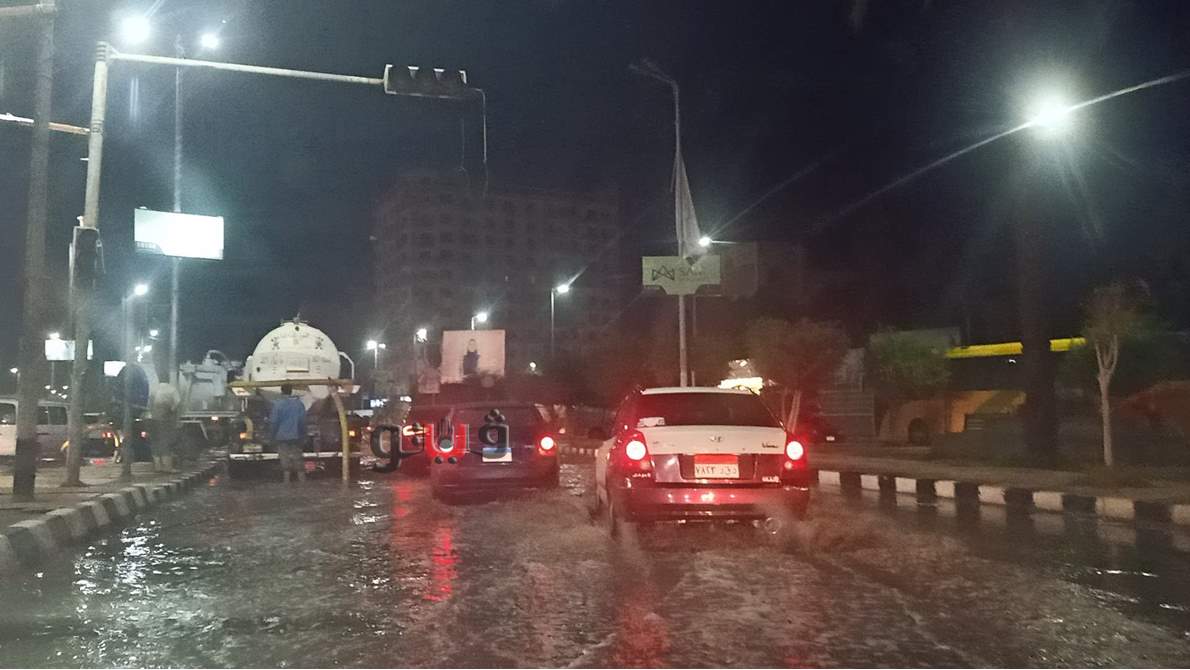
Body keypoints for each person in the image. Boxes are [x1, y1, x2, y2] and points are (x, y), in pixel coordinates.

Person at [270, 384, 308, 483]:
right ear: (291, 391)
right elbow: (302, 422)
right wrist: (304, 435)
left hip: (282, 437)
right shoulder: (299, 404)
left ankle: (286, 483)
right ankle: (302, 483)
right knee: (298, 461)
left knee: (285, 461)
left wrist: (272, 436)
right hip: (296, 436)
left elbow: (274, 422)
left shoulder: (277, 405)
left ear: (281, 391)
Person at [149, 382, 181, 473]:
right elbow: (177, 402)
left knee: (155, 441)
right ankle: (167, 467)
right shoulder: (172, 389)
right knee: (165, 441)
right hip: (165, 418)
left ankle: (158, 466)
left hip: (152, 419)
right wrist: (172, 410)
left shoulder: (154, 388)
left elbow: (150, 402)